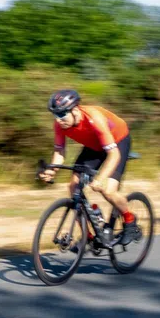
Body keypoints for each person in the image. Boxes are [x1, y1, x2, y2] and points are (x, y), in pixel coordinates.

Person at [38, 89, 141, 245]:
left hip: (117, 142)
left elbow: (114, 155)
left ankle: (130, 221)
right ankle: (88, 236)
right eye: (55, 115)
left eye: (61, 114)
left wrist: (100, 178)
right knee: (73, 186)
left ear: (75, 110)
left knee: (107, 190)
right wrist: (52, 170)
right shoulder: (60, 125)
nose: (58, 120)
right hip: (94, 145)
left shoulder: (94, 118)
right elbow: (60, 150)